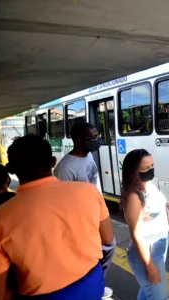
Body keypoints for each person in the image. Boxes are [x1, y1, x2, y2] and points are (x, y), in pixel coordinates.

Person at [0, 136, 114, 299]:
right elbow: (108, 239)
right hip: (91, 286)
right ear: (53, 162)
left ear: (12, 170)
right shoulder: (88, 191)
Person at [53, 122, 115, 299]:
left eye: (97, 136)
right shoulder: (65, 168)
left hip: (95, 213)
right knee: (98, 250)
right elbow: (61, 202)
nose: (97, 140)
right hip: (80, 220)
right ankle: (92, 287)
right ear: (78, 139)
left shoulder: (87, 156)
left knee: (108, 246)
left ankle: (96, 284)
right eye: (92, 137)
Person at [121, 149, 169, 300]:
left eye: (152, 166)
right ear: (133, 171)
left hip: (157, 250)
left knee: (148, 293)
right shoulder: (133, 196)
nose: (150, 170)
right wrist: (150, 267)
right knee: (160, 297)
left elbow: (149, 210)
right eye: (145, 168)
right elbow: (137, 234)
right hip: (147, 254)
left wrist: (166, 206)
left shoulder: (146, 184)